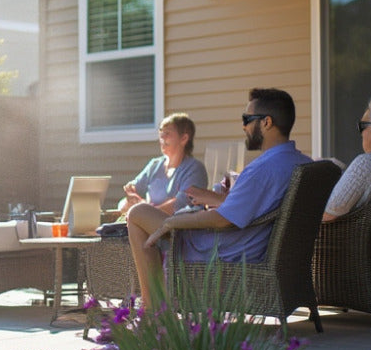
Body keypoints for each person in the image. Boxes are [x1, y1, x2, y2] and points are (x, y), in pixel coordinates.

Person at [124, 88, 311, 310]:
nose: (244, 126)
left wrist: (173, 222)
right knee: (149, 216)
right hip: (258, 245)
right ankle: (154, 306)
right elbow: (253, 208)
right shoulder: (302, 163)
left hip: (227, 249)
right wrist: (219, 197)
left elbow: (222, 220)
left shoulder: (263, 169)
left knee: (137, 214)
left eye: (247, 119)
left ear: (266, 123)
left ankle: (152, 309)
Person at [118, 113, 209, 216]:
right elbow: (131, 194)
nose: (162, 137)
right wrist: (130, 199)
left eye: (167, 133)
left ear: (184, 138)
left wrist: (145, 213)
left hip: (178, 227)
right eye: (161, 132)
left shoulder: (194, 169)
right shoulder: (154, 165)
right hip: (147, 223)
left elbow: (180, 204)